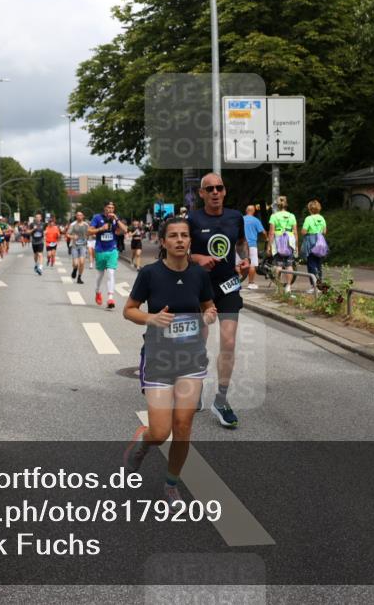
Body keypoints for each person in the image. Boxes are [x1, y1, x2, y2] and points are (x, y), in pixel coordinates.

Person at [122, 217, 218, 504]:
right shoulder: (150, 274)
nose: (179, 240)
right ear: (162, 242)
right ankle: (144, 441)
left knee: (183, 425)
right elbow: (129, 310)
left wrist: (210, 314)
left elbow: (208, 306)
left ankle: (171, 483)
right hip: (158, 356)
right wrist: (151, 318)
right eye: (173, 236)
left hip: (191, 358)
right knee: (161, 432)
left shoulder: (199, 275)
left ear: (190, 241)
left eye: (184, 236)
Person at [188, 173, 249, 428]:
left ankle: (221, 400)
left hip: (228, 287)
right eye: (209, 188)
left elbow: (241, 244)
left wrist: (245, 262)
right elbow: (177, 252)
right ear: (202, 194)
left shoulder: (236, 217)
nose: (215, 192)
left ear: (224, 192)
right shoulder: (192, 219)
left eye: (219, 188)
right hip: (200, 288)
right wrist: (198, 258)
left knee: (229, 341)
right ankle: (196, 388)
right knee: (198, 344)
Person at [89, 202, 126, 308]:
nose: (111, 209)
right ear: (104, 208)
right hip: (100, 250)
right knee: (100, 275)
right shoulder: (97, 217)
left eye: (112, 208)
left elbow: (125, 230)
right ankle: (97, 291)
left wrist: (117, 220)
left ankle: (110, 299)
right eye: (109, 207)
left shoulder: (115, 219)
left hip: (112, 250)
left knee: (110, 273)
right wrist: (101, 229)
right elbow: (89, 231)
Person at [267, 196, 297, 293]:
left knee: (278, 265)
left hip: (278, 241)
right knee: (289, 265)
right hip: (290, 241)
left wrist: (269, 246)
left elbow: (271, 232)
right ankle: (288, 286)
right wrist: (296, 246)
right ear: (286, 204)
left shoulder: (274, 216)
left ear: (277, 205)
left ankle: (279, 286)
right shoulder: (292, 216)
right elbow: (295, 231)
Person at [301, 200, 328, 293]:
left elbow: (304, 231)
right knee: (319, 264)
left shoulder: (308, 218)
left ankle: (314, 286)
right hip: (320, 242)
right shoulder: (322, 218)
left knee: (311, 264)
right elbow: (324, 231)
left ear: (310, 209)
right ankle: (320, 285)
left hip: (311, 241)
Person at [242, 205, 265, 290]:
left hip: (240, 245)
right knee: (252, 264)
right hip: (252, 244)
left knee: (239, 264)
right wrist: (265, 237)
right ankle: (251, 283)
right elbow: (262, 232)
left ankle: (236, 283)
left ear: (246, 211)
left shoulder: (241, 219)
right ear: (253, 211)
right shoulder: (255, 220)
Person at [68, 211, 89, 284]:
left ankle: (79, 277)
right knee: (75, 263)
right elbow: (67, 234)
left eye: (81, 215)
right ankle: (74, 269)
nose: (79, 217)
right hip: (74, 246)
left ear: (83, 216)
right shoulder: (73, 225)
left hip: (83, 246)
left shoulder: (86, 225)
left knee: (82, 262)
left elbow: (89, 232)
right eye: (78, 215)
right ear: (76, 216)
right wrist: (72, 236)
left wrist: (90, 236)